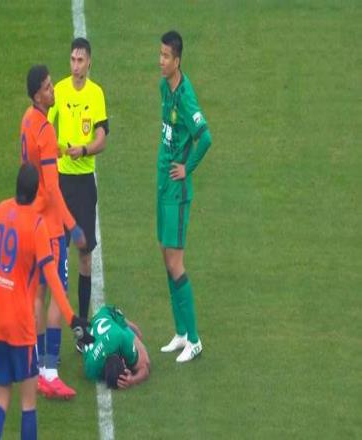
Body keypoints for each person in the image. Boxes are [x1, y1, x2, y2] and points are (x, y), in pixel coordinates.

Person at [0, 163, 93, 440]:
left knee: (1, 400)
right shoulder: (37, 225)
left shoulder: (2, 210)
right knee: (28, 404)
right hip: (21, 327)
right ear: (37, 191)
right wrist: (73, 319)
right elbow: (52, 278)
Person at [20, 64, 87, 399]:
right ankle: (50, 372)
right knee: (58, 295)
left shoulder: (28, 120)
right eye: (47, 87)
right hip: (49, 227)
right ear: (38, 95)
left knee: (38, 294)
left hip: (30, 221)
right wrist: (72, 225)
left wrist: (57, 149)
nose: (53, 90)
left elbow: (34, 159)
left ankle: (35, 365)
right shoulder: (45, 130)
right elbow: (51, 189)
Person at [157, 31, 212, 363]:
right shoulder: (165, 87)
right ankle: (180, 333)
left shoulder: (186, 95)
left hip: (176, 192)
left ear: (177, 60)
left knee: (176, 263)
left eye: (166, 56)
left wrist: (186, 168)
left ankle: (194, 339)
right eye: (160, 54)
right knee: (166, 257)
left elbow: (205, 137)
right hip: (162, 184)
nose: (161, 61)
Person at [47, 37, 109, 337]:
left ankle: (82, 325)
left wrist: (83, 150)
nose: (75, 65)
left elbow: (102, 138)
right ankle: (53, 333)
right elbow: (45, 126)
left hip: (84, 183)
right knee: (56, 256)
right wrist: (55, 150)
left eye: (80, 60)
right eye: (72, 59)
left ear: (89, 62)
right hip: (60, 183)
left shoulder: (96, 94)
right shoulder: (59, 90)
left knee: (84, 254)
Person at [83, 305, 150, 389]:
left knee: (138, 334)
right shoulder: (91, 369)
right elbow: (144, 368)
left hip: (107, 313)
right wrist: (133, 379)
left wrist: (133, 380)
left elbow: (145, 365)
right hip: (95, 326)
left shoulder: (91, 370)